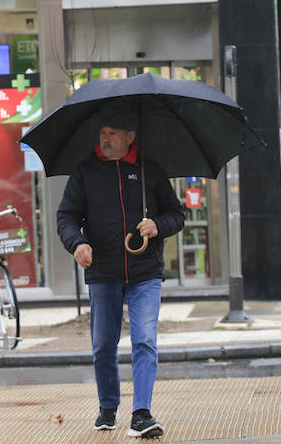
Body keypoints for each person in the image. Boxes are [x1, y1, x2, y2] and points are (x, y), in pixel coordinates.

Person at [57, 109, 184, 437]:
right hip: (103, 271)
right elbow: (66, 217)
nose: (105, 138)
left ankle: (141, 413)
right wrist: (77, 243)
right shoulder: (84, 172)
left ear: (130, 137)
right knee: (103, 345)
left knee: (144, 340)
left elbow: (177, 214)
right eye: (102, 132)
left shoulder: (150, 171)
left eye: (113, 133)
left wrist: (158, 225)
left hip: (146, 271)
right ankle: (108, 407)